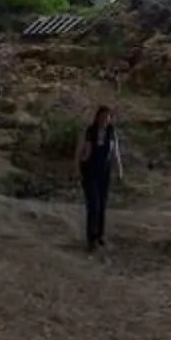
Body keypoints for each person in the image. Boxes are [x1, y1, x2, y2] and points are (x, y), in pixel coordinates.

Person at [75, 103, 122, 253]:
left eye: (108, 117)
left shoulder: (111, 132)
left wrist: (119, 170)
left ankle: (100, 235)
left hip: (104, 171)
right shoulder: (89, 131)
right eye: (102, 116)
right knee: (93, 205)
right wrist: (76, 168)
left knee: (102, 204)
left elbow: (115, 153)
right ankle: (91, 238)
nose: (105, 120)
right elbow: (79, 151)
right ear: (97, 117)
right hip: (90, 170)